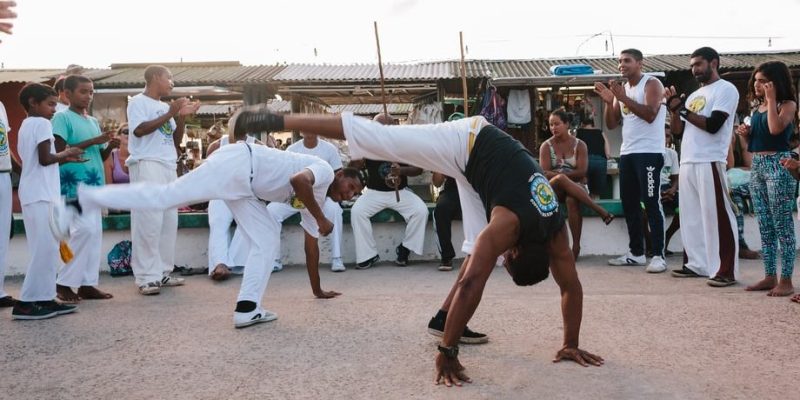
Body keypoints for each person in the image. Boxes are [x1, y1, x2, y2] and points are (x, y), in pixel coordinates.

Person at [231, 106, 604, 386]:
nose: (503, 257)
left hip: (487, 176)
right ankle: (271, 119)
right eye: (507, 258)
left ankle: (444, 319)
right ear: (518, 249)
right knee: (381, 138)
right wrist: (447, 353)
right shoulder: (508, 225)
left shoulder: (556, 233)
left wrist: (570, 343)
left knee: (477, 249)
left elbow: (571, 285)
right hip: (470, 140)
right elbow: (475, 283)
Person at [50, 113, 366, 328]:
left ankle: (248, 309)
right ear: (341, 176)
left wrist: (318, 290)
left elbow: (312, 245)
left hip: (247, 191)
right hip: (239, 162)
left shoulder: (319, 203)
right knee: (166, 197)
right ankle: (84, 199)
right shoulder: (322, 170)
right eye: (350, 186)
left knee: (267, 240)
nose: (349, 194)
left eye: (354, 194)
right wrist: (324, 217)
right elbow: (299, 180)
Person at [664, 47, 739, 287]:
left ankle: (725, 270)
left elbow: (714, 124)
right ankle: (696, 264)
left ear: (713, 63)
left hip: (710, 158)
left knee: (717, 215)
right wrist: (674, 110)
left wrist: (682, 108)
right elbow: (677, 132)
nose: (694, 69)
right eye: (692, 66)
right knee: (691, 217)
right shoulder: (696, 94)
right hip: (687, 159)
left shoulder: (726, 89)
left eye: (698, 64)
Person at [125, 65, 199, 295]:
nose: (172, 82)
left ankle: (163, 272)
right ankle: (146, 277)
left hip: (167, 165)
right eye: (169, 77)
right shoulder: (138, 102)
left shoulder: (164, 107)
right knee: (148, 222)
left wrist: (181, 117)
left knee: (168, 222)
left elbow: (174, 139)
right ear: (156, 77)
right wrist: (170, 112)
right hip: (147, 164)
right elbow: (138, 131)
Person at [12, 83, 83, 320]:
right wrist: (66, 153)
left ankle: (43, 298)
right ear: (33, 102)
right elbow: (45, 159)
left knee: (46, 249)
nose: (54, 109)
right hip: (40, 195)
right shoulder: (42, 124)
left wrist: (63, 157)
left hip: (36, 193)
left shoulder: (26, 124)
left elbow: (41, 160)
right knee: (44, 250)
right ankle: (25, 303)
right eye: (50, 104)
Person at [595, 48, 668, 273]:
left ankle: (658, 255)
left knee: (651, 201)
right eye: (619, 62)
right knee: (630, 204)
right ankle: (636, 253)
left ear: (640, 63)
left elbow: (650, 114)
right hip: (627, 153)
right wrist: (610, 102)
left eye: (627, 61)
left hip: (649, 152)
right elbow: (612, 123)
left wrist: (622, 97)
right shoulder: (623, 89)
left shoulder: (652, 84)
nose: (621, 65)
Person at [52, 75, 119, 303]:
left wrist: (109, 145)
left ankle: (87, 284)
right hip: (72, 185)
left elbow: (98, 155)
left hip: (93, 184)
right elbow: (60, 152)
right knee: (83, 232)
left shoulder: (92, 121)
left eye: (91, 92)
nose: (88, 96)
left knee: (94, 235)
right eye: (83, 91)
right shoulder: (61, 118)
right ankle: (64, 282)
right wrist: (94, 141)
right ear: (67, 94)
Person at [737, 61, 797, 296]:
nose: (757, 84)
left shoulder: (787, 104)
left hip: (779, 165)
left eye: (763, 81)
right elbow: (755, 144)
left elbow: (775, 130)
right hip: (759, 166)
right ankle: (770, 276)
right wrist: (747, 134)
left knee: (783, 225)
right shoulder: (758, 108)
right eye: (756, 80)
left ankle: (786, 280)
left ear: (776, 82)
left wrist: (772, 100)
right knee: (765, 224)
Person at [350, 113, 428, 269]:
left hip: (400, 192)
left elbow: (418, 169)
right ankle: (368, 256)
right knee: (357, 212)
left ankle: (405, 249)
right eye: (378, 128)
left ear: (394, 127)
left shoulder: (404, 143)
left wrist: (402, 170)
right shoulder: (367, 144)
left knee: (421, 211)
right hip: (374, 193)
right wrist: (358, 157)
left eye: (386, 128)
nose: (381, 131)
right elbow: (353, 167)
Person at [540, 109, 614, 259]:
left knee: (571, 200)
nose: (553, 128)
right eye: (551, 125)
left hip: (575, 189)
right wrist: (563, 176)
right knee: (560, 179)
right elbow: (545, 173)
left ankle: (575, 247)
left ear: (567, 124)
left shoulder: (580, 145)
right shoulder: (546, 146)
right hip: (553, 188)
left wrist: (562, 175)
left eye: (557, 124)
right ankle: (599, 210)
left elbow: (582, 171)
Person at [268, 132, 346, 273]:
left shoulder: (329, 149)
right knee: (272, 211)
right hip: (293, 197)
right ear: (300, 131)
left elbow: (338, 176)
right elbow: (286, 176)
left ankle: (337, 258)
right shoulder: (292, 149)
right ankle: (274, 259)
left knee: (334, 209)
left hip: (320, 197)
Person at [203, 132, 265, 281]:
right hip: (221, 193)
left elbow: (264, 174)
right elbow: (207, 173)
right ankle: (220, 264)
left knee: (247, 223)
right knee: (217, 221)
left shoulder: (258, 146)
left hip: (247, 193)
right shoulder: (216, 146)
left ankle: (237, 263)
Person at [726, 126, 760, 260]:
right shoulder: (719, 137)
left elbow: (750, 165)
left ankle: (740, 246)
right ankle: (740, 246)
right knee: (736, 202)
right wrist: (728, 143)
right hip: (731, 185)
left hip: (745, 183)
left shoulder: (740, 139)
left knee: (734, 193)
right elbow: (729, 165)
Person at [0, 98, 21, 308]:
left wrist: (20, 170)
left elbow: (4, 142)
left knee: (2, 234)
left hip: (4, 175)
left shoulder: (0, 105)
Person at [575, 114, 611, 198]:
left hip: (585, 161)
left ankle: (586, 205)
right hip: (600, 161)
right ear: (593, 124)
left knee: (583, 187)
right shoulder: (600, 132)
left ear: (582, 124)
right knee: (596, 191)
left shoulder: (579, 132)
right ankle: (595, 205)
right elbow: (608, 152)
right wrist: (607, 157)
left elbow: (573, 147)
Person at [432, 173, 460, 271]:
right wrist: (439, 167)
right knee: (441, 209)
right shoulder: (450, 156)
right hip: (453, 191)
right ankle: (446, 256)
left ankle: (494, 253)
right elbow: (437, 183)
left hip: (476, 189)